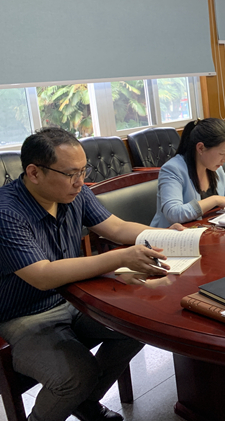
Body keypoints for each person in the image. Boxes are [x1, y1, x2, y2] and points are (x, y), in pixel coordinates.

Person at [0, 128, 178, 421]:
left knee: (137, 326)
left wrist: (168, 235)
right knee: (76, 375)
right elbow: (42, 275)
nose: (80, 182)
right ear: (34, 173)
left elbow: (117, 228)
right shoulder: (7, 212)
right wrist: (119, 258)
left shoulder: (75, 193)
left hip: (73, 295)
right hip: (22, 315)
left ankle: (83, 402)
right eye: (71, 174)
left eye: (83, 171)